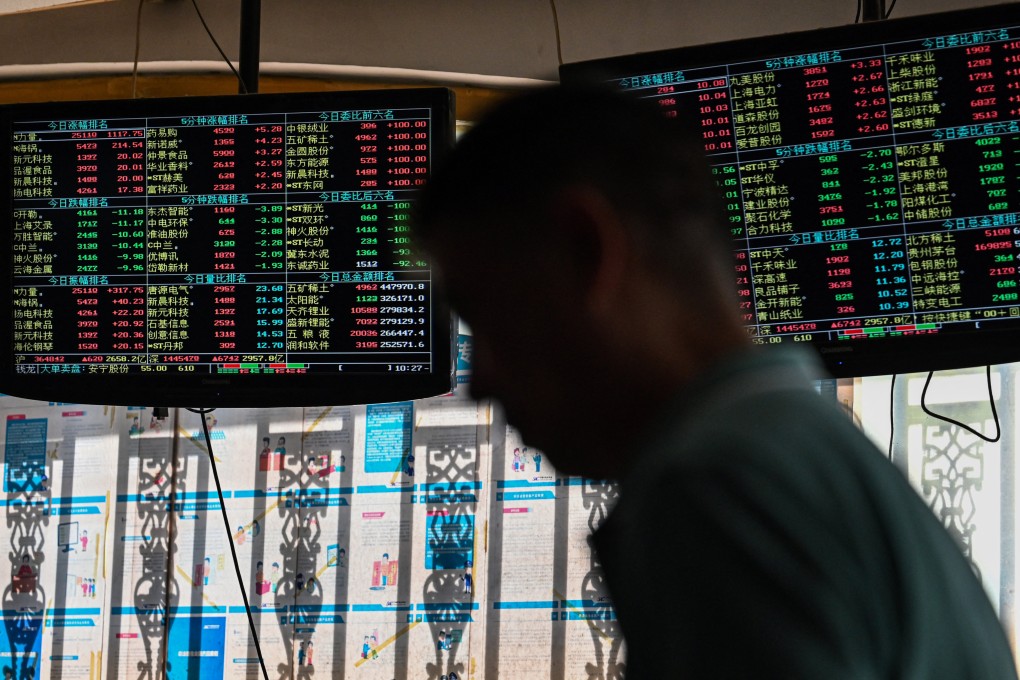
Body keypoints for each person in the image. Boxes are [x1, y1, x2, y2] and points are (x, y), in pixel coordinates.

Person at [415, 85, 1019, 678]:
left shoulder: (712, 490)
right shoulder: (801, 448)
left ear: (585, 249)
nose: (479, 382)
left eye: (490, 316)